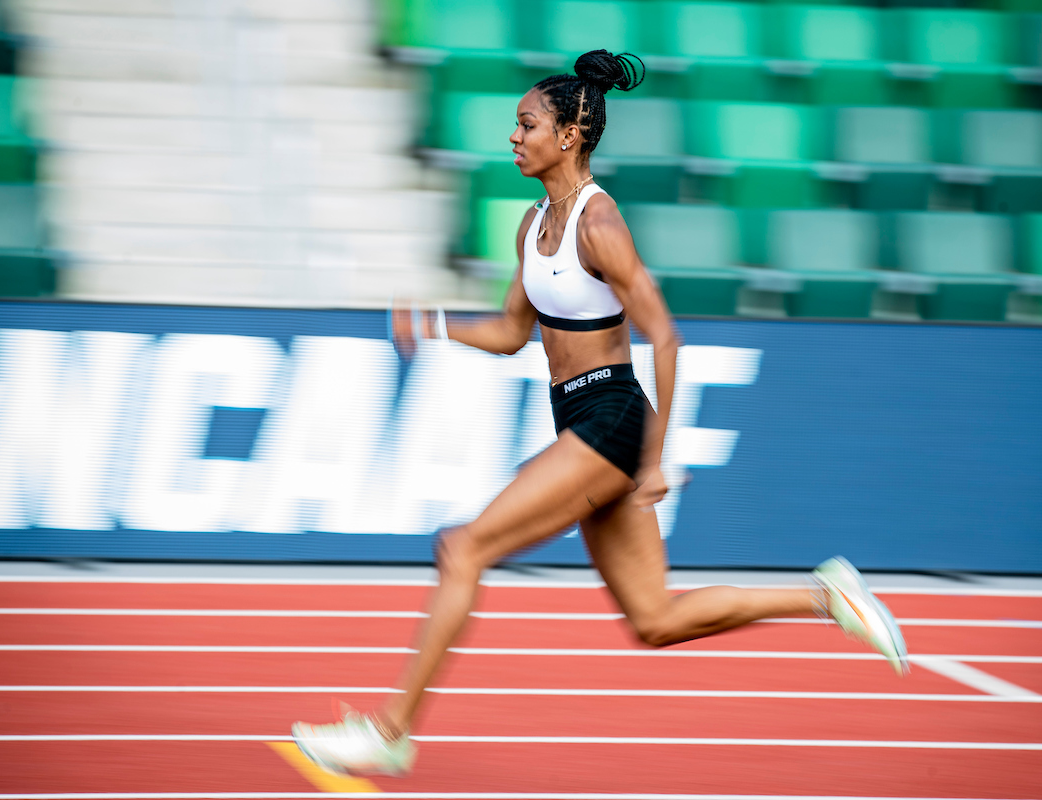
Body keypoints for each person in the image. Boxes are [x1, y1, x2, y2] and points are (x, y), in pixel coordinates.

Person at [291, 50, 908, 777]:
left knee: (465, 548)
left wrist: (653, 462)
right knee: (654, 619)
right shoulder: (532, 225)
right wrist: (432, 324)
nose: (513, 138)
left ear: (569, 135)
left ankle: (391, 733)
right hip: (581, 420)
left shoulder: (599, 224)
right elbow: (510, 334)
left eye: (526, 125)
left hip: (612, 419)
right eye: (514, 126)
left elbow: (668, 336)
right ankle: (823, 594)